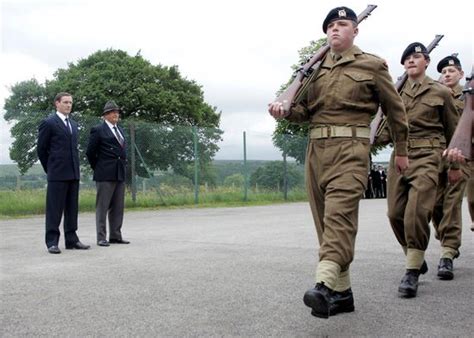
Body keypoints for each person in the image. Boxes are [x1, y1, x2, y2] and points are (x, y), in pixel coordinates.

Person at [268, 6, 409, 318]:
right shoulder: (314, 70)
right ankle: (343, 295)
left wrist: (401, 151)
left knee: (339, 219)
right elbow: (304, 111)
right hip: (316, 151)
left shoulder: (372, 65)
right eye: (330, 25)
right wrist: (285, 110)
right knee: (324, 223)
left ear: (355, 31)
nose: (335, 29)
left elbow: (396, 111)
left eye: (342, 24)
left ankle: (324, 284)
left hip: (351, 149)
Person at [386, 43, 459, 298]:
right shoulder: (394, 92)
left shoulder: (441, 92)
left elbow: (454, 133)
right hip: (400, 156)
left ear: (426, 61)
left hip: (430, 156)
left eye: (416, 56)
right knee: (395, 214)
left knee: (416, 211)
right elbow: (386, 128)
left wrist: (454, 166)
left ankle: (411, 272)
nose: (410, 61)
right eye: (406, 58)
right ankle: (414, 256)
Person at [37, 92, 90, 254]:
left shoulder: (73, 124)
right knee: (54, 209)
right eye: (65, 102)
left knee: (72, 208)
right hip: (57, 174)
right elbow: (41, 149)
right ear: (57, 104)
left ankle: (72, 239)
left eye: (70, 103)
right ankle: (52, 242)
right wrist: (51, 168)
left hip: (73, 173)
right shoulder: (49, 123)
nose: (69, 105)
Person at [431, 55, 468, 280]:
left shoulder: (469, 97)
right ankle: (446, 240)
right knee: (436, 204)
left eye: (451, 71)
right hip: (437, 157)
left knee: (452, 203)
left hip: (463, 158)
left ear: (461, 74)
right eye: (443, 71)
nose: (447, 74)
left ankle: (447, 253)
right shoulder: (435, 96)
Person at [86, 101, 130, 247]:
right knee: (102, 206)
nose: (115, 114)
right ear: (105, 115)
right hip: (105, 173)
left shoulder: (121, 130)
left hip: (119, 172)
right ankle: (101, 237)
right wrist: (98, 167)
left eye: (117, 112)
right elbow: (90, 152)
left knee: (118, 206)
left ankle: (116, 235)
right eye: (112, 112)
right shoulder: (98, 130)